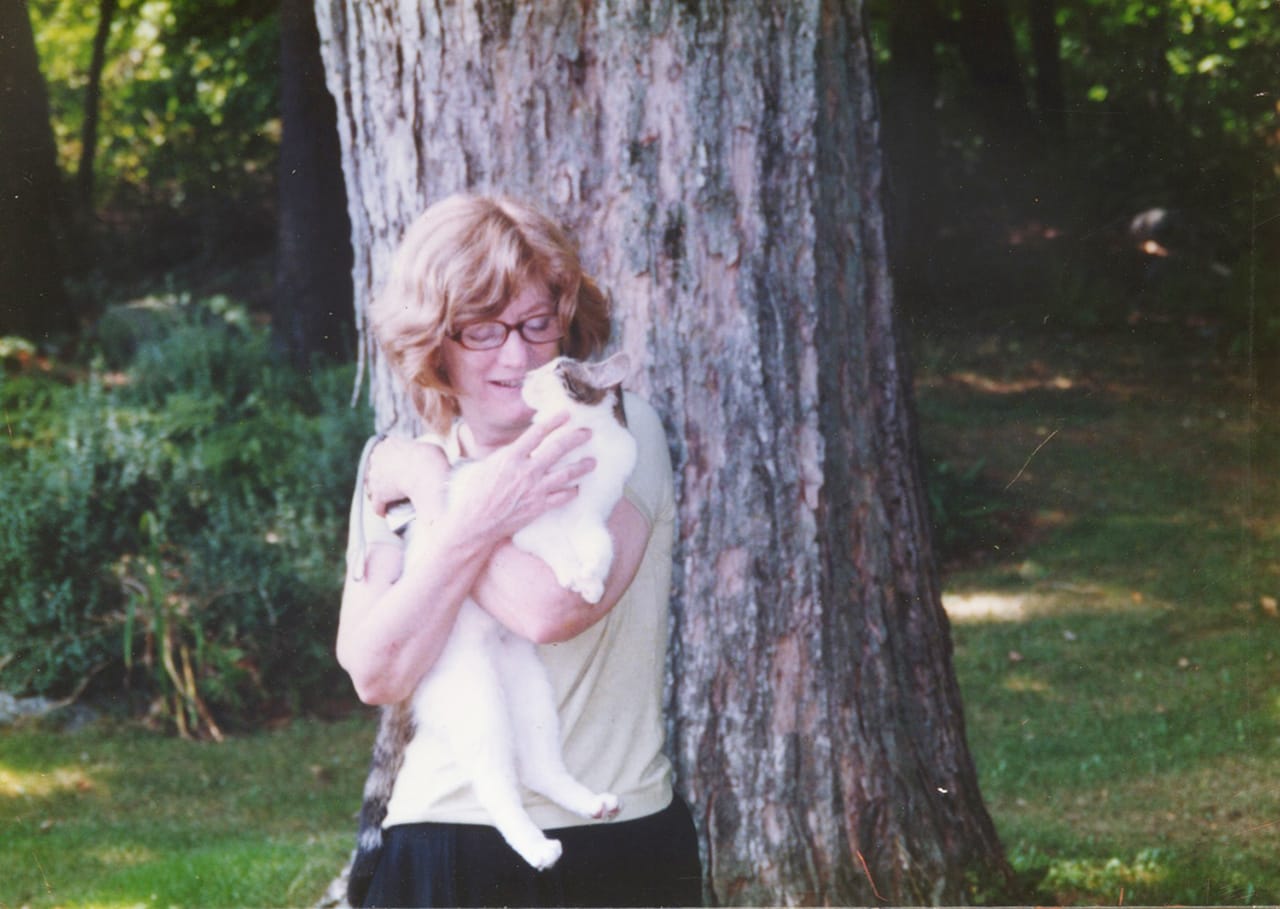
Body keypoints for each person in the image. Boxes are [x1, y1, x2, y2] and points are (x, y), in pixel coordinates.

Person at [338, 193, 702, 908]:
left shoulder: (616, 433)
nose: (519, 353)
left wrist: (437, 498)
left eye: (538, 324)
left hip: (611, 831)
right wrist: (444, 488)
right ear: (435, 342)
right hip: (440, 837)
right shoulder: (398, 460)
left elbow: (552, 606)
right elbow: (377, 669)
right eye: (483, 330)